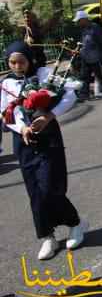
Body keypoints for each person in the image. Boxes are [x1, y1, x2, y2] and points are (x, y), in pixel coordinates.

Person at [1, 42, 87, 260]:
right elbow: (5, 112)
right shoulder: (6, 83)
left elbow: (70, 95)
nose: (17, 66)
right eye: (13, 62)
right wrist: (22, 128)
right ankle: (47, 236)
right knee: (35, 191)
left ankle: (75, 223)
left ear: (30, 59)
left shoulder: (45, 74)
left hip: (48, 136)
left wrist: (49, 116)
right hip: (24, 140)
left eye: (21, 61)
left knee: (50, 186)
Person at [74, 10, 102, 101]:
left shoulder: (95, 28)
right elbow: (83, 42)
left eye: (79, 20)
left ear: (84, 19)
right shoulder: (83, 29)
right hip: (85, 56)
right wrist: (78, 50)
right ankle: (84, 94)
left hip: (96, 57)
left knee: (101, 77)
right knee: (84, 76)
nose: (78, 22)